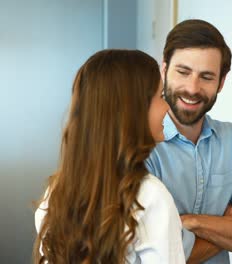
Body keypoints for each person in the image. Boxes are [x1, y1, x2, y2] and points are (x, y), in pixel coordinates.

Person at [33, 49, 185, 263]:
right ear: (132, 111)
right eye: (160, 96)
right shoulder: (151, 198)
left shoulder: (55, 193)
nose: (167, 107)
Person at [145, 19, 232, 263]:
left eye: (206, 77)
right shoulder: (142, 145)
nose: (192, 88)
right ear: (164, 71)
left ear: (221, 82)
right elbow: (161, 255)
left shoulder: (230, 140)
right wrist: (227, 226)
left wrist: (192, 222)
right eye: (183, 72)